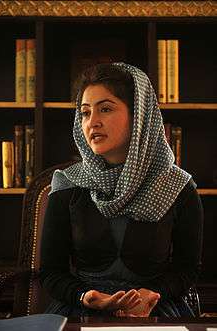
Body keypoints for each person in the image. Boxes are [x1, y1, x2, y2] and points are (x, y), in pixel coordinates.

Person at [40, 62, 203, 318]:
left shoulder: (177, 187)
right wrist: (85, 296)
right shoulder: (67, 185)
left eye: (105, 109)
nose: (92, 122)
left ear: (139, 116)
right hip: (80, 309)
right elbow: (51, 272)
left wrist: (152, 294)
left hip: (155, 310)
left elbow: (186, 270)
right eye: (84, 113)